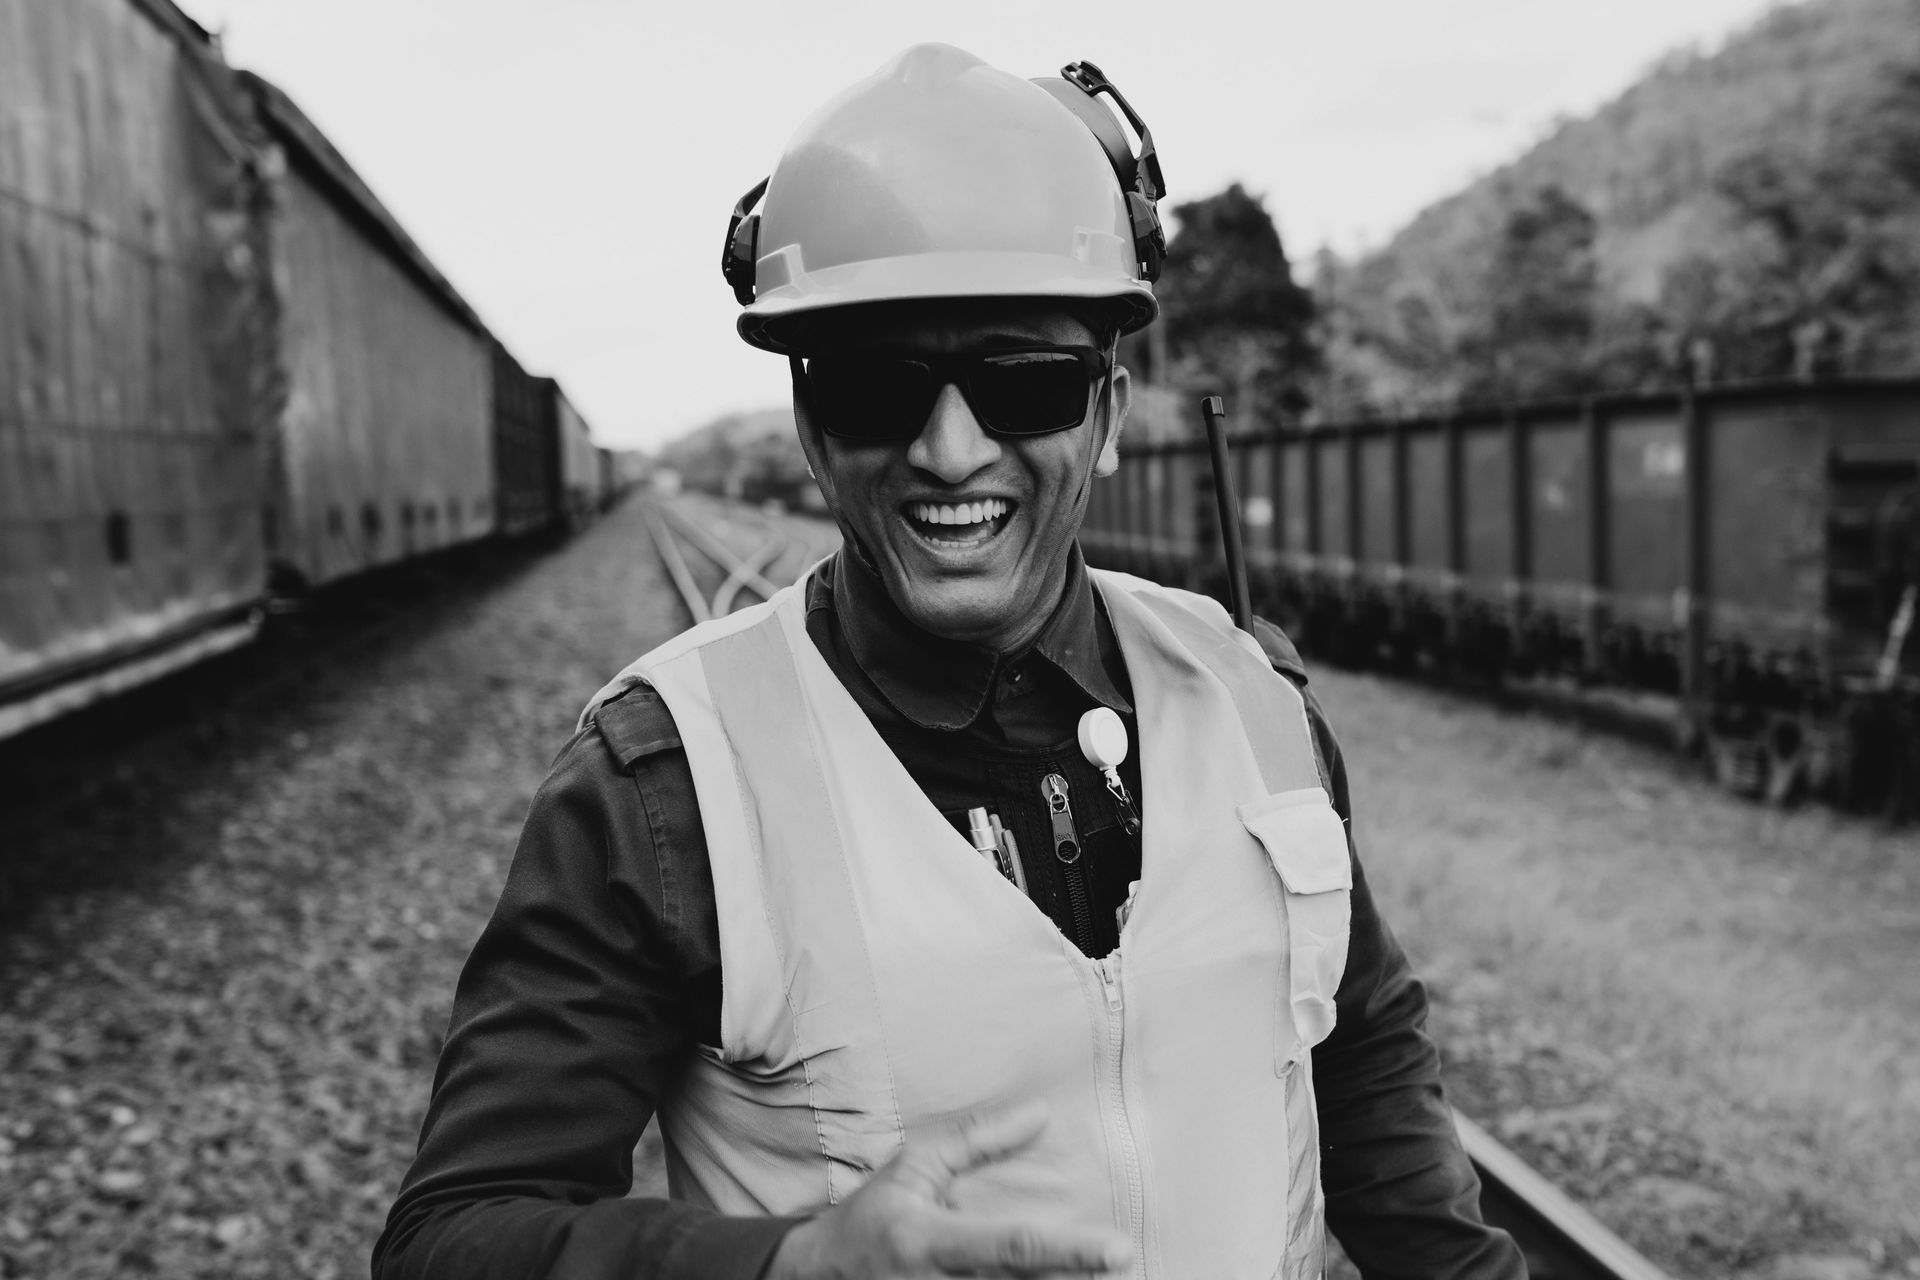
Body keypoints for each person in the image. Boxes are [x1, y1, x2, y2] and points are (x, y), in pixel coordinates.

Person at [374, 43, 1526, 1280]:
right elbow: (456, 1235)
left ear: (1110, 414)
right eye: (880, 385)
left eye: (1022, 380)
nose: (949, 447)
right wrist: (787, 1265)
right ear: (813, 427)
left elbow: (1358, 1042)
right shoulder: (662, 782)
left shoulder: (1253, 693)